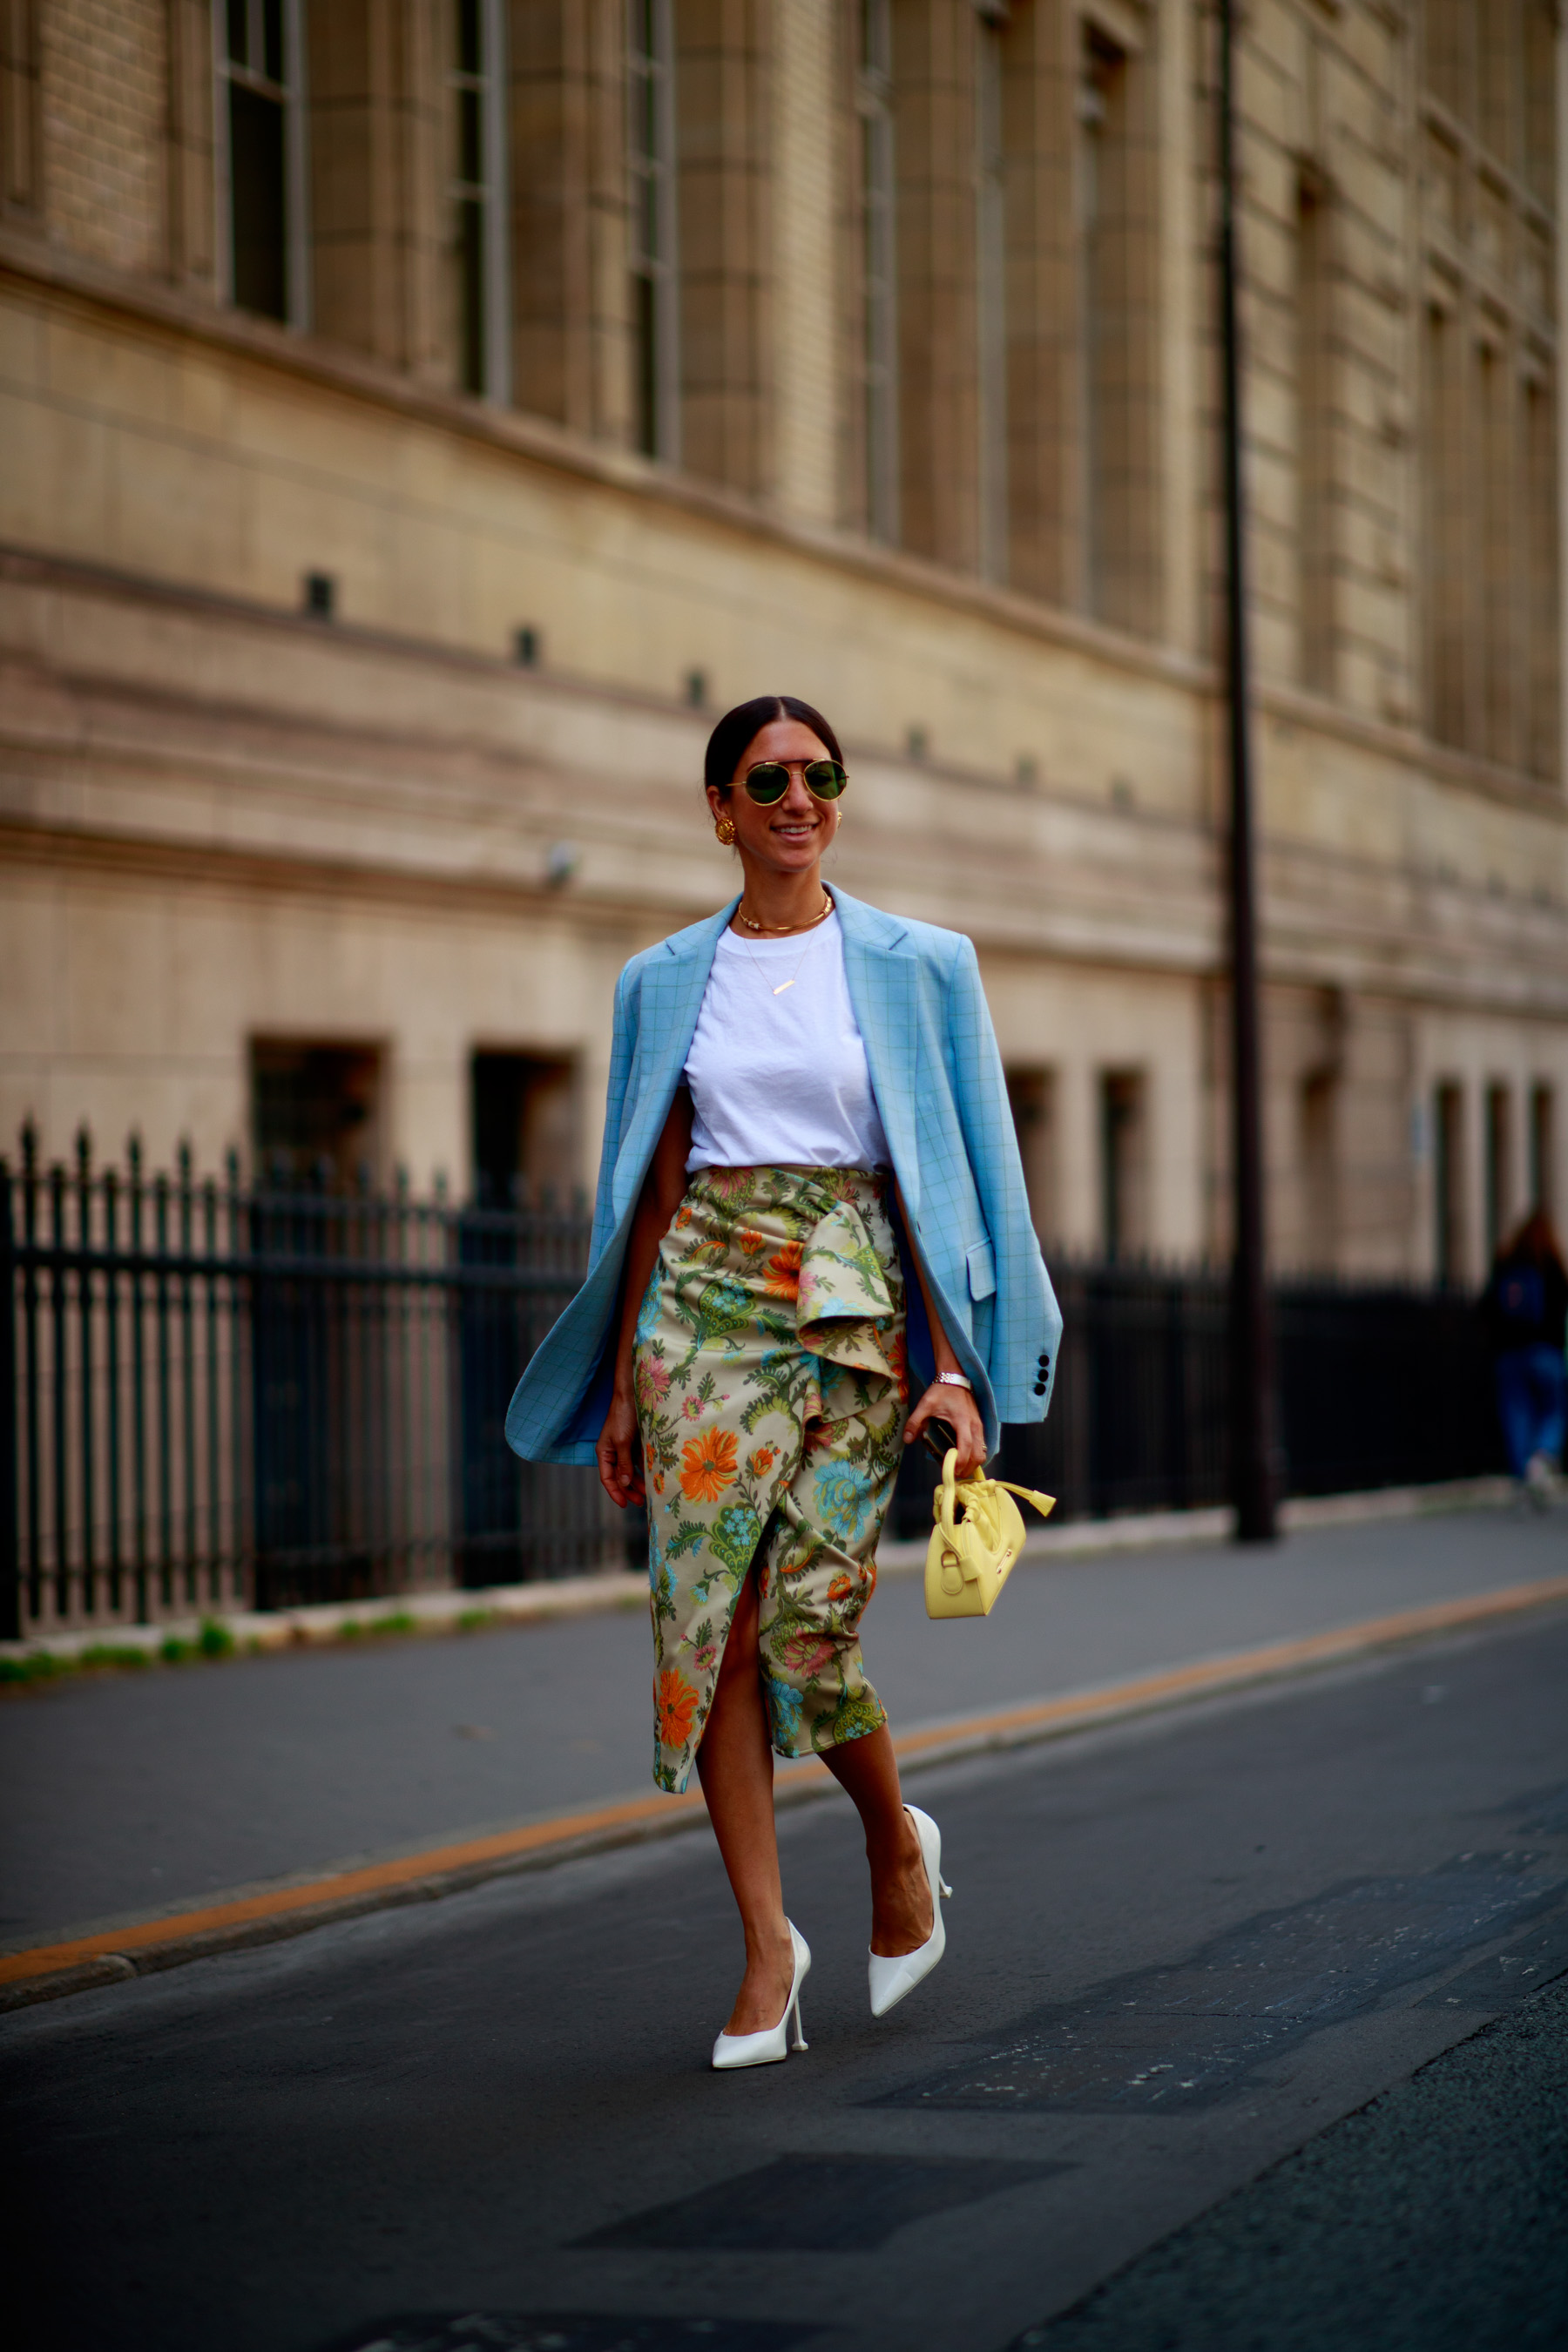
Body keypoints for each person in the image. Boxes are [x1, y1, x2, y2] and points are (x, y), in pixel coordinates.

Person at [506, 693, 1061, 2067]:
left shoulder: (922, 965)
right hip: (700, 1307)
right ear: (723, 809)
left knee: (808, 1621)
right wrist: (630, 1383)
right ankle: (767, 1947)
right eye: (771, 779)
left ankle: (894, 1845)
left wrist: (959, 1372)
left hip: (855, 1304)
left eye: (822, 774)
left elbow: (949, 1188)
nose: (801, 797)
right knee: (711, 1626)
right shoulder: (664, 980)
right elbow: (648, 1188)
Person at [1481, 1208, 1568, 1509]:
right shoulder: (1550, 1263)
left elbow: (1487, 1306)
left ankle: (1522, 1479)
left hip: (1509, 1354)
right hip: (1545, 1351)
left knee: (1517, 1415)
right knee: (1554, 1410)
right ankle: (1542, 1457)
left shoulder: (1507, 1263)